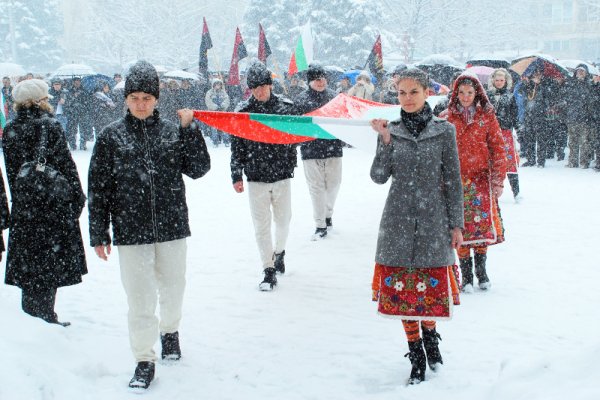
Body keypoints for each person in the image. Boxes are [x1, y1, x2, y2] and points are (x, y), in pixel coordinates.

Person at [87, 61, 211, 391]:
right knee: (140, 298)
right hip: (131, 230)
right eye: (135, 97)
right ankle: (143, 358)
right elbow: (98, 187)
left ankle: (170, 332)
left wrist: (190, 131)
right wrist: (99, 231)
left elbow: (199, 169)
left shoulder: (172, 131)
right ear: (126, 99)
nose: (141, 103)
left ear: (156, 99)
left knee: (173, 288)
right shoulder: (111, 137)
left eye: (147, 97)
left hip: (171, 226)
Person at [370, 68, 464, 385]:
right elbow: (379, 176)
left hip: (434, 221)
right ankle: (416, 354)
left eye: (414, 92)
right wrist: (384, 141)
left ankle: (431, 336)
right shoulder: (391, 130)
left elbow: (453, 180)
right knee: (403, 295)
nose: (407, 98)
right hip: (397, 222)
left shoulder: (444, 131)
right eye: (401, 92)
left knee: (428, 293)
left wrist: (457, 224)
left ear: (426, 93)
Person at [2, 79, 87, 326]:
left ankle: (31, 319)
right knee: (49, 269)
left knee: (29, 269)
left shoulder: (10, 129)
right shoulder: (50, 126)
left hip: (25, 209)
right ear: (41, 101)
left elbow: (11, 172)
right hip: (52, 208)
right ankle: (47, 317)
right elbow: (66, 166)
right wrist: (76, 199)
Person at [231, 61, 298, 291]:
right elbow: (236, 145)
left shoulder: (286, 108)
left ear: (270, 85)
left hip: (281, 175)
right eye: (255, 87)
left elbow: (299, 135)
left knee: (283, 221)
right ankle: (268, 269)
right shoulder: (242, 113)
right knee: (261, 225)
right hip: (255, 176)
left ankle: (279, 252)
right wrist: (235, 174)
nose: (260, 91)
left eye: (263, 86)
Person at [441, 74, 507, 292]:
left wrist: (498, 180)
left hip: (480, 180)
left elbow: (498, 148)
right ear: (455, 94)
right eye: (461, 93)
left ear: (477, 93)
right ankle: (466, 276)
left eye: (470, 93)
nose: (466, 97)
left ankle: (482, 272)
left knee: (480, 228)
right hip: (455, 181)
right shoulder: (447, 117)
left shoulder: (487, 117)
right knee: (459, 227)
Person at [295, 64, 343, 240]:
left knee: (333, 185)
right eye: (316, 79)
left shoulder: (335, 98)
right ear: (309, 81)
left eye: (322, 77)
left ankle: (328, 213)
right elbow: (296, 126)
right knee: (316, 188)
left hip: (333, 148)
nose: (321, 81)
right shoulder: (300, 100)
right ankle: (320, 224)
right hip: (310, 150)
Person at [487, 68, 521, 200]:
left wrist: (519, 129)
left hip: (505, 132)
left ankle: (516, 192)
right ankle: (490, 191)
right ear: (493, 81)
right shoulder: (487, 96)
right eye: (497, 80)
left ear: (506, 81)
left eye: (502, 80)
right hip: (490, 133)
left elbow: (515, 115)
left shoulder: (510, 96)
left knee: (509, 162)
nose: (499, 82)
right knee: (489, 161)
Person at [564, 65, 595, 168]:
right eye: (578, 71)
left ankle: (584, 162)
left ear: (586, 73)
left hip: (585, 118)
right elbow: (566, 98)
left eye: (582, 71)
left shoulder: (590, 84)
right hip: (572, 117)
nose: (580, 73)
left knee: (585, 142)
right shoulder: (571, 84)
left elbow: (591, 99)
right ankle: (572, 162)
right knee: (572, 142)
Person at [204, 78, 231, 147]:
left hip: (222, 113)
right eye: (216, 84)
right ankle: (215, 141)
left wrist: (223, 106)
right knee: (214, 127)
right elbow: (208, 101)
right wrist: (215, 107)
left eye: (219, 84)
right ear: (213, 85)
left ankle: (226, 140)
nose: (218, 86)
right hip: (213, 113)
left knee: (224, 126)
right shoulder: (209, 93)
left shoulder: (223, 92)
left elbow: (227, 100)